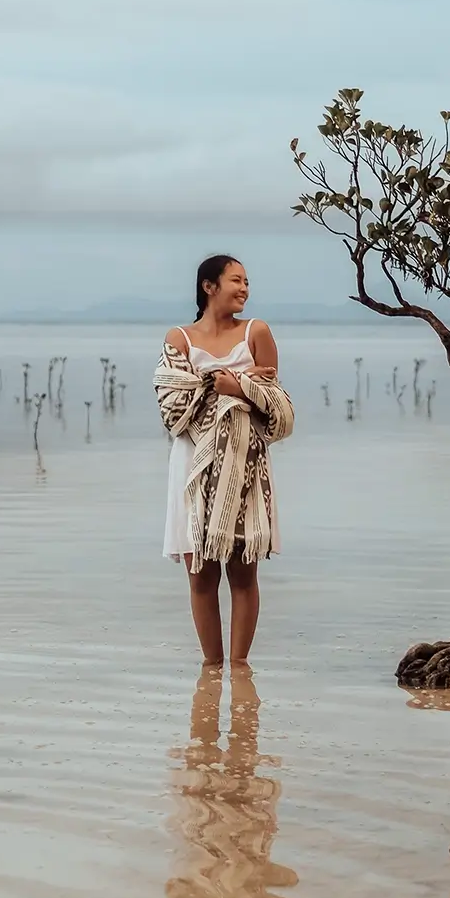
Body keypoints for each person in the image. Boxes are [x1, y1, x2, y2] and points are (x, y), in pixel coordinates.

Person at [156, 254, 291, 668]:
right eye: (236, 280)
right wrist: (224, 388)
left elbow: (276, 404)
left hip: (244, 463)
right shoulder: (179, 338)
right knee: (200, 573)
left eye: (248, 281)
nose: (245, 288)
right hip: (192, 463)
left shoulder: (257, 332)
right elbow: (171, 406)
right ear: (208, 286)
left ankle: (239, 668)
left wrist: (239, 387)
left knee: (243, 572)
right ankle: (211, 671)